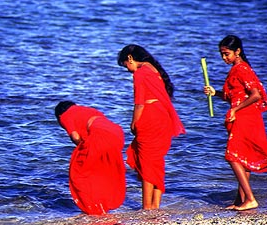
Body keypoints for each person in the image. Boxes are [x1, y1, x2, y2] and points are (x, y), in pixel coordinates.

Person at [203, 35, 267, 211]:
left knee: (232, 155)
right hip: (243, 115)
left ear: (237, 51)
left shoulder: (242, 69)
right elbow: (235, 96)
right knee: (242, 156)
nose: (224, 58)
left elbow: (256, 95)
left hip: (246, 117)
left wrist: (235, 110)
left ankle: (250, 198)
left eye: (226, 54)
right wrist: (215, 93)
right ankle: (241, 199)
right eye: (221, 54)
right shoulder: (237, 69)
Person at [117, 44, 185, 209]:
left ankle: (147, 207)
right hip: (162, 118)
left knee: (147, 162)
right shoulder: (154, 69)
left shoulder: (140, 73)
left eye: (126, 65)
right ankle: (155, 205)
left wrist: (133, 123)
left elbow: (139, 103)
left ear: (130, 58)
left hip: (150, 117)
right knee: (156, 161)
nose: (128, 70)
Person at [55, 101, 126, 215]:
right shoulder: (90, 110)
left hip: (100, 136)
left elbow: (75, 136)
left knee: (79, 172)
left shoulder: (65, 115)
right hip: (118, 134)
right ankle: (104, 205)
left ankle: (94, 208)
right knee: (102, 171)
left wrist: (82, 148)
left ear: (59, 116)